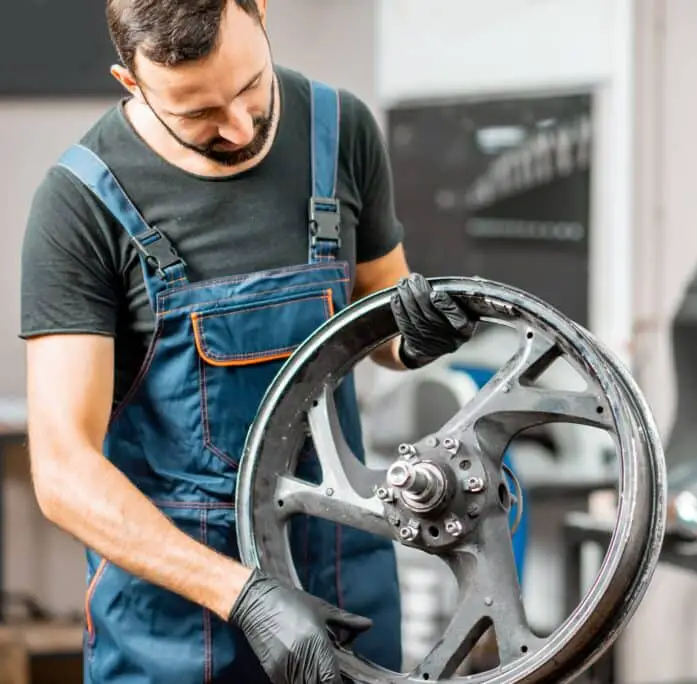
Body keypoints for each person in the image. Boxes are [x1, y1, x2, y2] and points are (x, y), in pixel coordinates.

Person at [18, 1, 477, 682]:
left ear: (259, 9)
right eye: (198, 113)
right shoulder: (80, 204)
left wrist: (418, 339)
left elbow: (382, 322)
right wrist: (245, 596)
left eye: (249, 88)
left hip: (343, 584)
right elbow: (62, 473)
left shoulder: (340, 129)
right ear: (131, 81)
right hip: (175, 623)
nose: (238, 126)